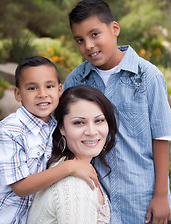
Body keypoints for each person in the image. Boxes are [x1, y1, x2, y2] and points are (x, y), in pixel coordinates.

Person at [64, 0, 171, 224]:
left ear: (114, 29)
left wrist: (160, 196)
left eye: (94, 34)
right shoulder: (75, 81)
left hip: (142, 202)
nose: (88, 45)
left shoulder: (148, 76)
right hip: (96, 206)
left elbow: (161, 136)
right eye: (80, 40)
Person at [0, 56, 99, 224]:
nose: (42, 94)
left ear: (60, 90)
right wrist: (69, 167)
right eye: (32, 88)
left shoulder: (55, 127)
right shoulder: (10, 130)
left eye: (49, 86)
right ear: (18, 94)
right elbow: (20, 188)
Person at [27, 85, 117, 224]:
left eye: (99, 120)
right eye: (79, 123)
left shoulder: (68, 164)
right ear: (62, 127)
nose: (92, 131)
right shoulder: (75, 187)